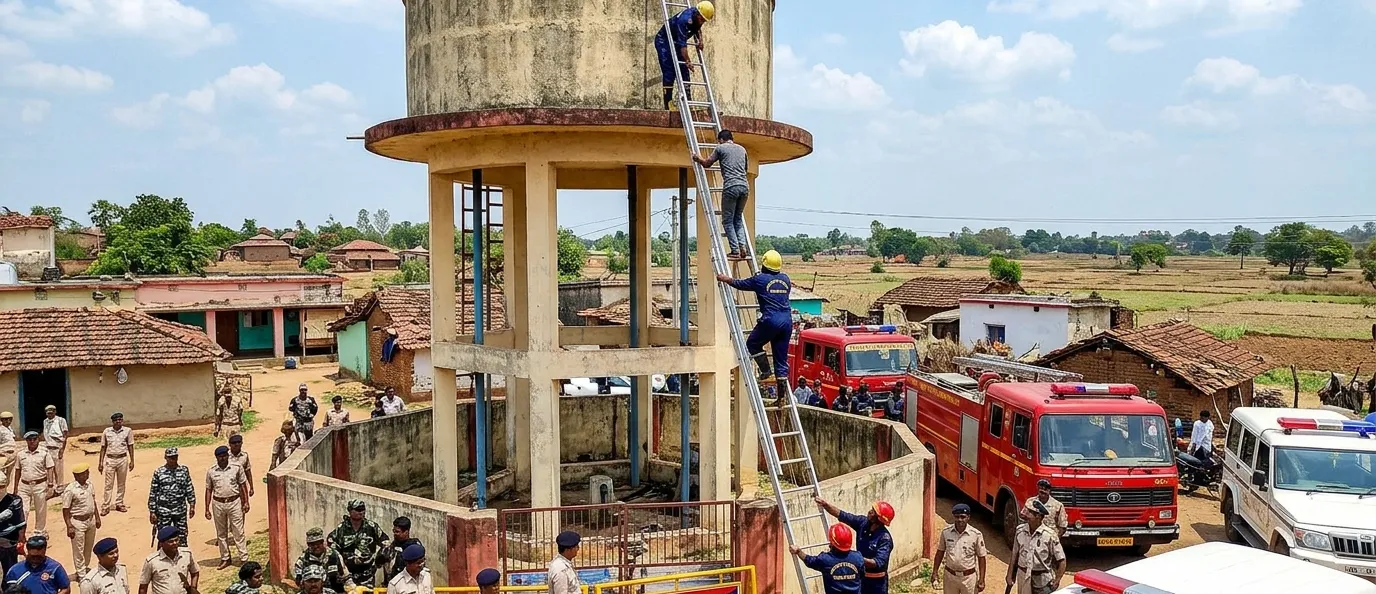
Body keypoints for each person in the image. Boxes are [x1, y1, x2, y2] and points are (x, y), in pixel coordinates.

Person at [715, 250, 792, 395]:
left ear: (764, 264)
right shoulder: (786, 279)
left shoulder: (760, 279)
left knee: (752, 344)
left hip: (771, 320)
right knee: (781, 359)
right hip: (787, 322)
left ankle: (765, 371)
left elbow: (740, 284)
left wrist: (725, 279)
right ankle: (782, 397)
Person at [814, 497, 893, 594]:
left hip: (877, 584)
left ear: (880, 519)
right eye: (871, 509)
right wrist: (825, 505)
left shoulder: (885, 539)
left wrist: (854, 558)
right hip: (860, 579)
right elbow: (842, 515)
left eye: (873, 512)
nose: (869, 512)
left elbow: (877, 563)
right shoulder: (863, 523)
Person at [692, 130, 750, 259]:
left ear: (721, 139)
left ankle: (735, 250)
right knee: (738, 219)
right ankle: (742, 247)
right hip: (744, 187)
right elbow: (745, 169)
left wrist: (697, 158)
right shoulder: (742, 149)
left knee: (727, 221)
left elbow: (707, 164)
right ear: (731, 138)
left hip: (731, 187)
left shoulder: (720, 148)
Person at [652, 1, 714, 110]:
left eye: (704, 20)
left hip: (676, 42)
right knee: (669, 71)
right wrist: (688, 61)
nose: (702, 22)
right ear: (697, 14)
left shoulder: (698, 17)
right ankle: (668, 103)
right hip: (664, 41)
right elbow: (683, 46)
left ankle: (688, 103)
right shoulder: (684, 20)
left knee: (685, 71)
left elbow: (698, 27)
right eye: (702, 19)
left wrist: (701, 40)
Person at [204, 446, 249, 569]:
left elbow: (243, 485)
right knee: (221, 533)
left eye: (224, 456)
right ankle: (225, 558)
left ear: (228, 456)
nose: (222, 458)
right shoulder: (211, 471)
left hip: (235, 501)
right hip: (218, 503)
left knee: (238, 531)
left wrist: (246, 502)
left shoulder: (236, 468)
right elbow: (208, 490)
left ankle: (243, 558)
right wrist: (206, 508)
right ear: (216, 457)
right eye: (220, 456)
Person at [1006, 501, 1065, 594]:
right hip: (1023, 576)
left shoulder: (1049, 535)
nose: (1026, 515)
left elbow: (1062, 560)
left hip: (1042, 581)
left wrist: (1057, 580)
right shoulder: (1020, 531)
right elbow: (1014, 555)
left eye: (1029, 513)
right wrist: (1009, 575)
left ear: (1038, 516)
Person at [789, 524, 863, 594]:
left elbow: (809, 561)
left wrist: (798, 551)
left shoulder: (825, 559)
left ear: (832, 542)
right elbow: (862, 574)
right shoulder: (858, 557)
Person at [328, 500, 386, 588]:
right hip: (347, 575)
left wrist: (378, 561)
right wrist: (340, 564)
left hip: (367, 574)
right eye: (358, 510)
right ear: (350, 511)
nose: (361, 512)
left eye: (363, 509)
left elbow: (385, 542)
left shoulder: (371, 527)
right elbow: (331, 543)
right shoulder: (341, 529)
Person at [931, 504, 986, 594]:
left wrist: (982, 579)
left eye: (963, 517)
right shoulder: (946, 532)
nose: (960, 520)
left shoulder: (976, 535)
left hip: (968, 578)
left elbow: (981, 557)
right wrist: (935, 571)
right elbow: (940, 552)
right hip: (950, 576)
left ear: (968, 517)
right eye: (957, 517)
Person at [61, 463, 101, 578]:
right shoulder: (70, 490)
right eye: (84, 473)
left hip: (90, 520)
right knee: (78, 548)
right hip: (78, 522)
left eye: (87, 472)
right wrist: (69, 526)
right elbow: (66, 509)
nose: (87, 475)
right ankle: (81, 573)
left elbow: (93, 502)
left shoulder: (90, 485)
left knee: (88, 546)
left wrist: (97, 518)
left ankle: (85, 567)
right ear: (76, 476)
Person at [147, 448, 195, 543]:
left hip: (180, 510)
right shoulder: (159, 472)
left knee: (182, 537)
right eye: (170, 457)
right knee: (164, 538)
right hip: (163, 511)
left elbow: (189, 488)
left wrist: (192, 504)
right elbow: (153, 492)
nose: (173, 459)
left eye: (175, 457)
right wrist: (152, 511)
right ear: (165, 458)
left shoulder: (183, 471)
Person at [13, 432, 53, 537]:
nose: (32, 442)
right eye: (29, 440)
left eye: (34, 439)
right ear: (26, 441)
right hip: (24, 485)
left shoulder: (44, 453)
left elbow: (50, 468)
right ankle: (21, 534)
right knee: (23, 510)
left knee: (40, 510)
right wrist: (15, 487)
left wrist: (50, 485)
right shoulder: (21, 454)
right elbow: (18, 470)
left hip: (40, 484)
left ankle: (40, 532)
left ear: (38, 440)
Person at [293, 528, 352, 594]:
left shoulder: (334, 556)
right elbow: (298, 583)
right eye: (312, 544)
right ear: (308, 545)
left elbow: (346, 577)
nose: (316, 546)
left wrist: (352, 589)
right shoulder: (302, 561)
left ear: (323, 542)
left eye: (318, 543)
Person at [140, 527, 196, 594]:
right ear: (161, 544)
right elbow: (143, 587)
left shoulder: (186, 554)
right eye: (171, 541)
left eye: (176, 540)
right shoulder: (152, 561)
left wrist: (193, 589)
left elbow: (195, 572)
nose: (175, 543)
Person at [98, 413, 133, 514]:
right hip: (110, 459)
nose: (118, 421)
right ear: (112, 421)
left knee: (121, 483)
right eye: (116, 420)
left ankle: (119, 503)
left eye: (120, 419)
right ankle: (106, 505)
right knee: (108, 484)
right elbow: (103, 447)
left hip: (123, 459)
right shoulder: (107, 431)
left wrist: (132, 460)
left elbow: (130, 446)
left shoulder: (128, 431)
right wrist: (100, 462)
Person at [381, 517, 421, 584]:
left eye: (397, 532)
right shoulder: (390, 546)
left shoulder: (414, 547)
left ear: (406, 532)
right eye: (394, 531)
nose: (395, 534)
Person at [0, 473, 23, 575]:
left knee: (10, 572)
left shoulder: (15, 500)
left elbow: (20, 523)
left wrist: (21, 540)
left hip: (8, 542)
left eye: (1, 486)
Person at [41, 406, 68, 486]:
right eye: (48, 413)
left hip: (57, 448)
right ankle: (50, 486)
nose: (49, 414)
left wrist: (62, 449)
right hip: (47, 448)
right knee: (49, 468)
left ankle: (59, 486)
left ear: (55, 412)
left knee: (58, 469)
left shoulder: (61, 420)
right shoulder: (45, 421)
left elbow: (65, 435)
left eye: (51, 412)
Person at [0, 413, 15, 495]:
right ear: (1, 420)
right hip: (3, 455)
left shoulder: (9, 428)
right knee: (1, 475)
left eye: (9, 419)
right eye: (5, 419)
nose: (8, 421)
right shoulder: (1, 430)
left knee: (9, 475)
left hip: (11, 455)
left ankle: (7, 492)